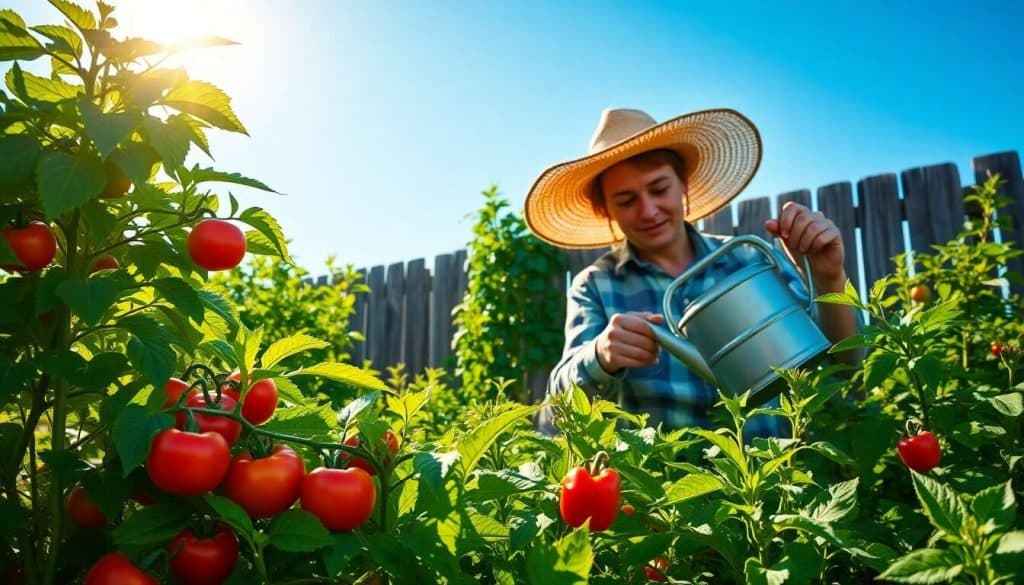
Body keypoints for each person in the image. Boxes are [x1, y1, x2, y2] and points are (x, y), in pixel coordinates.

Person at [524, 108, 862, 435]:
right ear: (605, 209)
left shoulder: (746, 258)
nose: (648, 211)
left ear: (683, 184)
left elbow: (844, 360)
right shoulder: (597, 286)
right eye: (626, 201)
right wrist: (600, 355)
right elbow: (558, 408)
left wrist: (827, 275)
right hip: (665, 487)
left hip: (769, 478)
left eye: (659, 189)